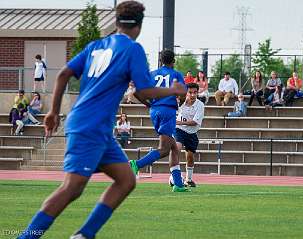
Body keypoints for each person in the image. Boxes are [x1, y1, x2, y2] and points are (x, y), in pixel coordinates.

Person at [17, 2, 186, 239]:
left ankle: (84, 234)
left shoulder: (95, 46)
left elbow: (64, 74)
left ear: (116, 23)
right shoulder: (132, 49)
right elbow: (144, 91)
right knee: (71, 188)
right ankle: (26, 237)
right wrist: (173, 90)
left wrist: (53, 112)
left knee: (126, 179)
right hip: (91, 127)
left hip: (96, 129)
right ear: (138, 26)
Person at [129, 49, 188, 192]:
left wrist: (148, 104)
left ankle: (179, 184)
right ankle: (137, 164)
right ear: (173, 61)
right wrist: (178, 100)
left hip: (154, 111)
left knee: (174, 147)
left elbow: (136, 92)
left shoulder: (152, 74)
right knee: (164, 149)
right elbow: (183, 92)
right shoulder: (176, 74)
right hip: (168, 111)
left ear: (160, 61)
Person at [174, 83, 205, 187]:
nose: (192, 95)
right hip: (179, 130)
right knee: (176, 149)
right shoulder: (179, 102)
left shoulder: (200, 105)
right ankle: (174, 176)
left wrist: (179, 122)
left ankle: (189, 179)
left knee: (190, 157)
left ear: (198, 92)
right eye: (190, 92)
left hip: (192, 133)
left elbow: (195, 122)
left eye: (195, 92)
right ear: (186, 93)